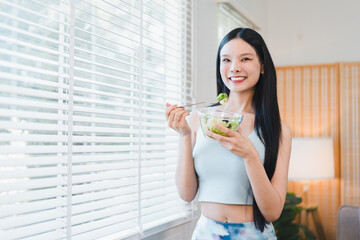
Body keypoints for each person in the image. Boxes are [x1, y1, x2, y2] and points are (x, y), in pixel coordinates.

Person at [165, 28, 292, 240]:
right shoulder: (198, 119)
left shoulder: (278, 130)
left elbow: (272, 212)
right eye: (226, 60)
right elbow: (186, 194)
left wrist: (249, 154)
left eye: (245, 59)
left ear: (262, 66)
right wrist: (184, 136)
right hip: (206, 234)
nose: (234, 68)